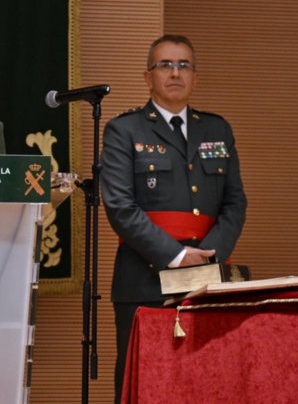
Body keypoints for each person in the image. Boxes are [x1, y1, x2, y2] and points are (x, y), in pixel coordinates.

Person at [100, 34, 247, 401]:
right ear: (147, 77)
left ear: (195, 77)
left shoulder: (217, 130)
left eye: (184, 65)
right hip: (144, 282)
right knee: (145, 384)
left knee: (205, 383)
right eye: (165, 65)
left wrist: (208, 256)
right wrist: (178, 257)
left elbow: (235, 203)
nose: (175, 72)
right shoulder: (124, 130)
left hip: (209, 282)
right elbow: (120, 206)